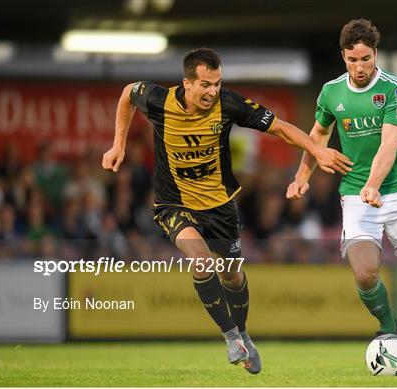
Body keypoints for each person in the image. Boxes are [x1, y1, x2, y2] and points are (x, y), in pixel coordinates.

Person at [102, 47, 352, 374]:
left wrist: (317, 150)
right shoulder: (157, 99)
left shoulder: (229, 104)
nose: (212, 92)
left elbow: (280, 127)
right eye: (205, 84)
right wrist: (118, 143)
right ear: (187, 83)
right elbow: (126, 94)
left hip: (220, 206)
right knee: (201, 261)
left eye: (217, 83)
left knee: (232, 276)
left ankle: (243, 333)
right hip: (174, 203)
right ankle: (231, 335)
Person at [286, 19, 397, 374]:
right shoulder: (330, 92)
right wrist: (301, 176)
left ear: (376, 54)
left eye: (366, 59)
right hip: (357, 196)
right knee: (365, 275)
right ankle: (390, 330)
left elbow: (389, 143)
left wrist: (374, 183)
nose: (359, 67)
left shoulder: (394, 87)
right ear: (343, 56)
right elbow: (317, 136)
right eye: (352, 60)